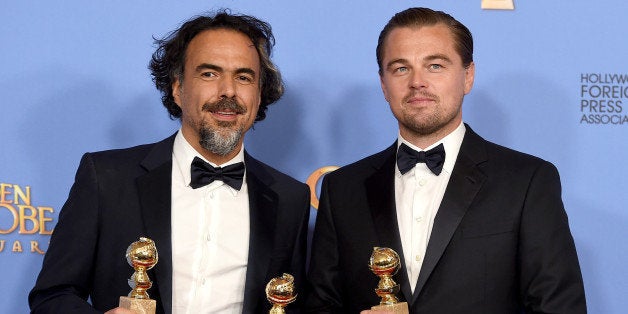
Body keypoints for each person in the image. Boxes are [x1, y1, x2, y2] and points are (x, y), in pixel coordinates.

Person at [305, 7, 586, 314]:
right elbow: (322, 305)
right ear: (384, 85)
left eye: (435, 66)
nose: (417, 82)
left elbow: (557, 307)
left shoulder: (526, 181)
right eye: (400, 68)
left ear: (468, 76)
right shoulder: (343, 188)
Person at [29, 10, 310, 314]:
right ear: (178, 88)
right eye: (209, 73)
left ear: (258, 94)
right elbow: (52, 297)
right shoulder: (107, 178)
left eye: (244, 77)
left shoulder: (289, 198)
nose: (228, 90)